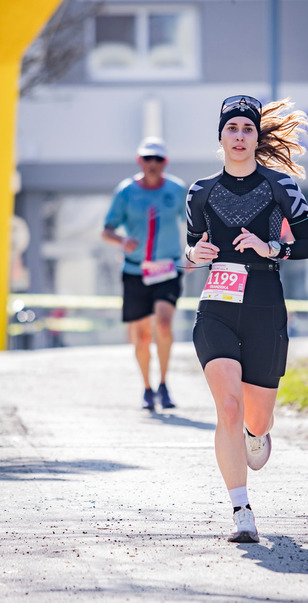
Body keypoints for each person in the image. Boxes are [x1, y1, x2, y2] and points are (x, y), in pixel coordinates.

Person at [185, 95, 308, 543]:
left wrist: (270, 248)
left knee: (256, 420)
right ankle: (241, 511)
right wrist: (193, 255)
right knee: (227, 405)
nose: (239, 136)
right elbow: (192, 245)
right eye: (232, 128)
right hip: (216, 306)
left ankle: (255, 434)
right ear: (220, 136)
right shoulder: (200, 192)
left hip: (265, 305)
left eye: (247, 129)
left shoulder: (282, 187)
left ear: (257, 137)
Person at [102, 137, 187, 410]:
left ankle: (163, 383)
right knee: (141, 336)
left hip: (167, 269)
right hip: (135, 270)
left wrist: (195, 252)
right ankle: (147, 388)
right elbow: (107, 230)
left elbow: (194, 223)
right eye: (148, 158)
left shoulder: (176, 190)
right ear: (139, 161)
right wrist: (122, 241)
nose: (153, 163)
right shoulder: (126, 191)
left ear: (165, 162)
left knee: (163, 324)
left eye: (158, 159)